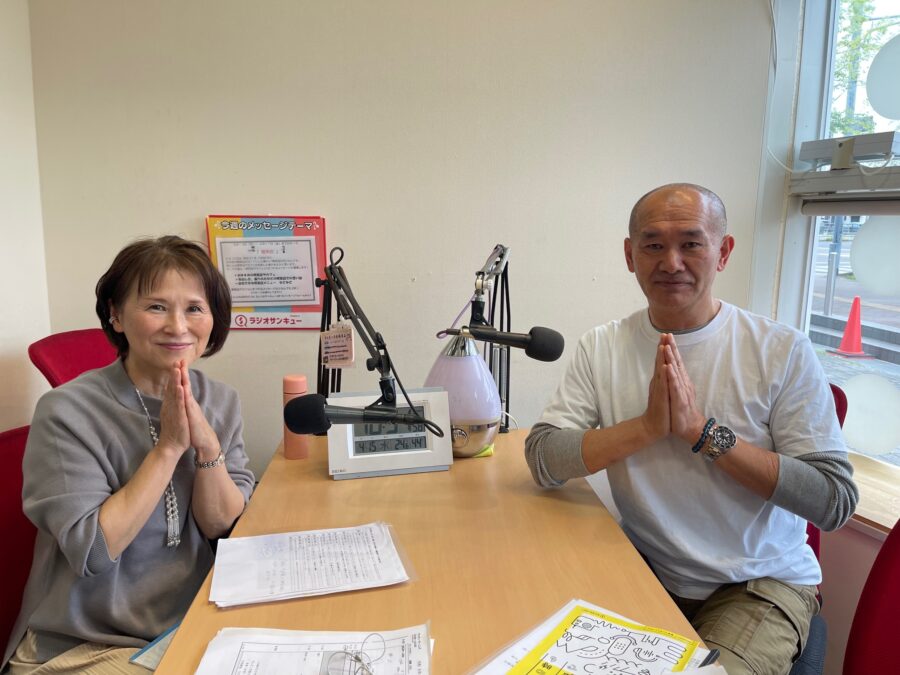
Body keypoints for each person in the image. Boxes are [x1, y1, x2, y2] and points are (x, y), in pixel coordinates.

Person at [525, 184, 858, 675]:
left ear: (723, 252)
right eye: (653, 245)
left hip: (758, 584)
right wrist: (646, 427)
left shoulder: (780, 350)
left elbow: (833, 500)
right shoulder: (603, 346)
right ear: (630, 255)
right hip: (647, 565)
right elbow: (542, 457)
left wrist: (702, 433)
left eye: (691, 243)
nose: (671, 262)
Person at [3, 236, 255, 674]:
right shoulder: (66, 412)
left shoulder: (221, 400)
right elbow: (94, 553)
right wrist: (169, 448)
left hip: (187, 626)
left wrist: (208, 447)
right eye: (157, 306)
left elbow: (222, 526)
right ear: (115, 315)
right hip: (83, 642)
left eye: (194, 308)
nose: (178, 326)